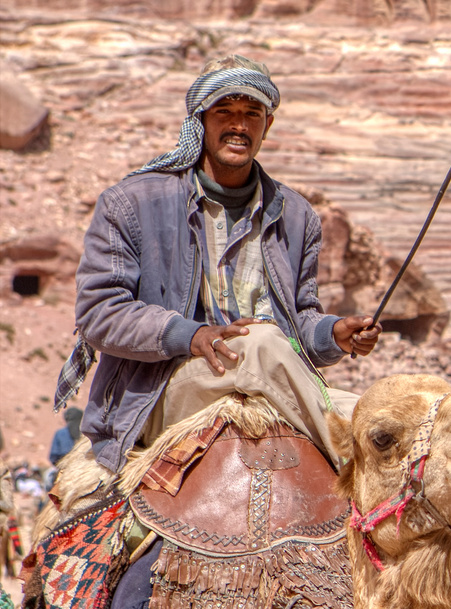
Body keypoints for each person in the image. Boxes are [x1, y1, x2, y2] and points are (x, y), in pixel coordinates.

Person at [58, 55, 380, 474]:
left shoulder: (297, 216)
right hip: (164, 389)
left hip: (271, 382)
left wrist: (333, 335)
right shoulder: (131, 203)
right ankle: (360, 477)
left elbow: (298, 322)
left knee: (388, 414)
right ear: (200, 119)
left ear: (268, 125)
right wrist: (191, 336)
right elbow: (100, 314)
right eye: (224, 111)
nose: (239, 125)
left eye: (252, 114)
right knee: (261, 343)